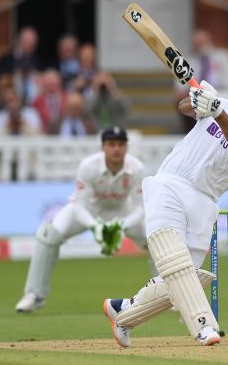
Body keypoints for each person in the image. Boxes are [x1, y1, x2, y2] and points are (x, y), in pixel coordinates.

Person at [103, 83, 228, 347]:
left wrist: (215, 112)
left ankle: (123, 311)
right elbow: (183, 108)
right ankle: (204, 325)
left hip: (205, 202)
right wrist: (199, 102)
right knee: (174, 261)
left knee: (183, 277)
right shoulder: (225, 105)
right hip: (170, 183)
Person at [15, 127, 147, 312]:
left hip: (122, 211)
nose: (116, 149)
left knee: (155, 238)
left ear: (126, 147)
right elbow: (78, 205)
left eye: (120, 144)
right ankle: (33, 294)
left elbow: (140, 208)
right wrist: (95, 226)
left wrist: (121, 225)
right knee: (48, 235)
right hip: (89, 210)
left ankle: (169, 295)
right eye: (111, 144)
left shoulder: (137, 168)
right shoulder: (89, 166)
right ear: (103, 147)